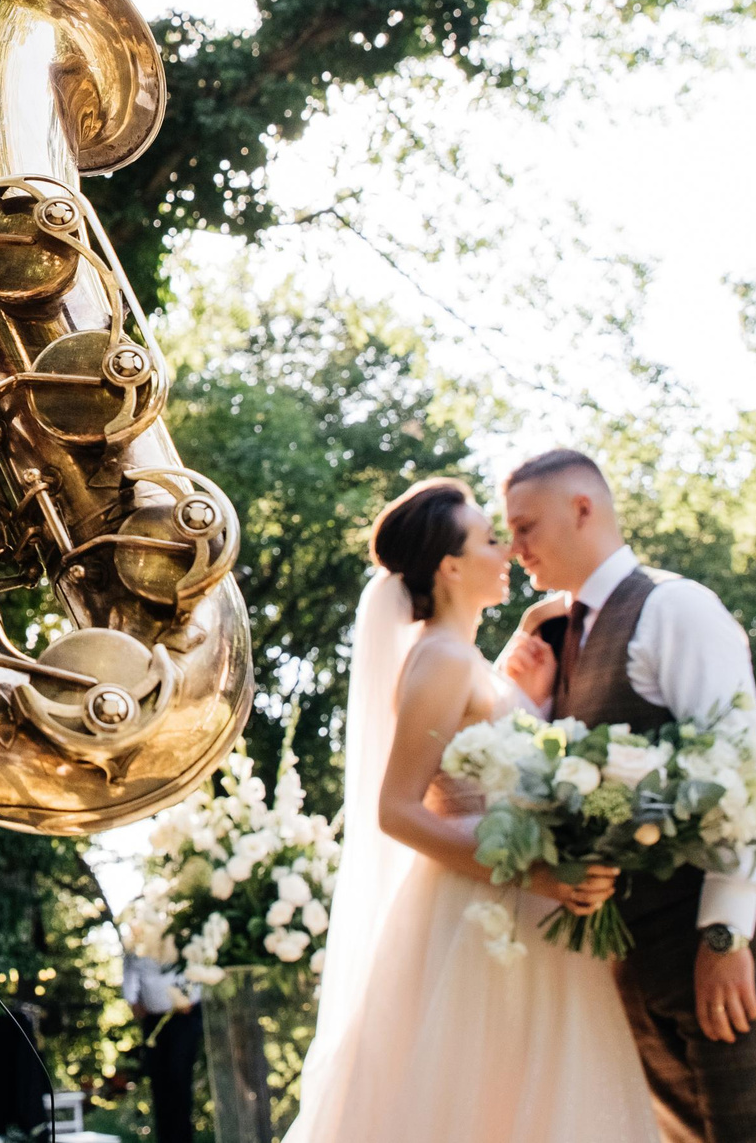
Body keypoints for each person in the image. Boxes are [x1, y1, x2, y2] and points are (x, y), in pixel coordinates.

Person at [287, 477, 660, 1143]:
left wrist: (528, 700)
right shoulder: (440, 659)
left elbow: (481, 764)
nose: (510, 551)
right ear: (452, 565)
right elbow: (398, 809)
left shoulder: (467, 662)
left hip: (521, 913)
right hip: (480, 914)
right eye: (492, 539)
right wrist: (534, 875)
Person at [500, 450, 756, 1143]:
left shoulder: (674, 607)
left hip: (712, 942)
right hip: (632, 956)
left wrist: (725, 933)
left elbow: (740, 769)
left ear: (583, 508)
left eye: (526, 526)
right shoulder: (561, 633)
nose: (514, 547)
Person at [121, 950, 201, 1143]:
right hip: (152, 1018)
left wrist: (190, 996)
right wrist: (132, 1000)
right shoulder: (137, 935)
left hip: (183, 1017)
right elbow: (131, 969)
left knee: (179, 1078)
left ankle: (182, 1138)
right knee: (160, 1081)